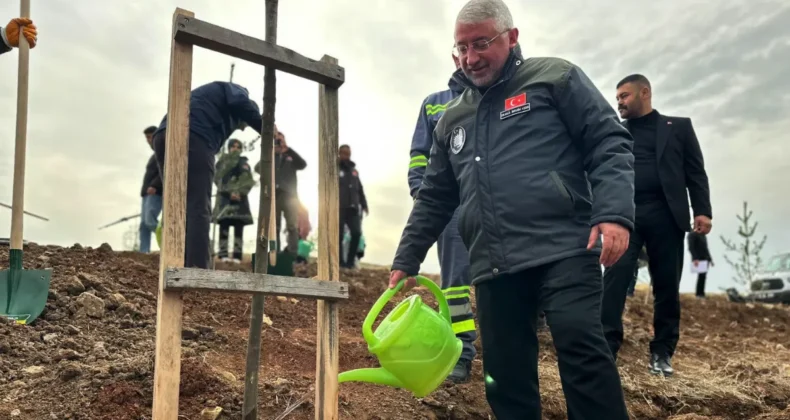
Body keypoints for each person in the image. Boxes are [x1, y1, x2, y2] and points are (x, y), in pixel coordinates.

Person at [389, 1, 633, 418]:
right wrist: (406, 258)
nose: (470, 57)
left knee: (581, 346)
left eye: (481, 43)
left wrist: (613, 213)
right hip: (494, 263)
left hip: (564, 247)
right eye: (462, 47)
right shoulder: (452, 118)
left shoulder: (555, 77)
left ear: (512, 37)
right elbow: (435, 195)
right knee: (504, 374)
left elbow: (608, 141)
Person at [601, 73, 712, 377]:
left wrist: (702, 211)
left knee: (666, 285)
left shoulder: (679, 127)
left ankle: (662, 352)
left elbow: (696, 172)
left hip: (667, 215)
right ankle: (606, 347)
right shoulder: (615, 132)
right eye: (617, 97)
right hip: (626, 217)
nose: (619, 102)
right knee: (615, 278)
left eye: (624, 96)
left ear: (645, 93)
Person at [408, 53, 478, 382]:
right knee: (455, 284)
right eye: (463, 49)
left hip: (495, 205)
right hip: (450, 208)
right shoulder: (434, 103)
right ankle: (460, 350)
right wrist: (420, 194)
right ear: (455, 55)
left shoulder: (499, 96)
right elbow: (419, 154)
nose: (470, 56)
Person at [151, 81, 262, 269]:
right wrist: (265, 127)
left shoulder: (210, 99)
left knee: (175, 204)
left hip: (163, 135)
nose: (242, 128)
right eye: (243, 124)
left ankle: (175, 265)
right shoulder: (237, 92)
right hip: (194, 134)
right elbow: (240, 103)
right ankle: (198, 269)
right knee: (197, 205)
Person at [212, 139, 255, 263]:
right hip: (225, 200)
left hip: (240, 201)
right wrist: (229, 192)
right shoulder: (221, 163)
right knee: (224, 227)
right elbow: (217, 179)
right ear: (229, 148)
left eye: (238, 147)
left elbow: (248, 181)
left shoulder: (244, 163)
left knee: (238, 229)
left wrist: (239, 192)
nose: (235, 149)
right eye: (233, 146)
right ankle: (223, 254)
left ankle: (237, 256)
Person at [338, 144, 368, 269]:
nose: (346, 156)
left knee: (356, 233)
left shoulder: (354, 171)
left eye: (348, 154)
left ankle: (350, 262)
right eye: (344, 153)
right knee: (338, 235)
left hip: (353, 208)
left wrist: (364, 204)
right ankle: (339, 262)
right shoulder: (334, 168)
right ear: (339, 154)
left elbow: (360, 189)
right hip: (339, 207)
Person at [139, 126, 163, 253]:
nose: (148, 140)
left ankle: (168, 240)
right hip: (146, 194)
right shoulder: (154, 155)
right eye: (146, 138)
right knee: (144, 225)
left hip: (155, 193)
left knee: (150, 221)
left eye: (149, 137)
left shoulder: (163, 152)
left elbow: (165, 169)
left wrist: (155, 185)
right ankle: (144, 252)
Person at [687, 230, 712, 298]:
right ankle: (699, 294)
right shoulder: (692, 234)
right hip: (699, 259)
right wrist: (695, 258)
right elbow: (691, 247)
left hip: (705, 258)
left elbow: (706, 248)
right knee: (701, 276)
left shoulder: (703, 235)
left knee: (703, 276)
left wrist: (710, 259)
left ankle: (701, 293)